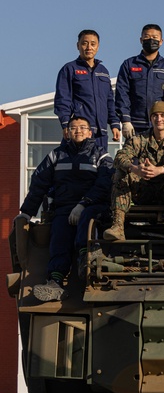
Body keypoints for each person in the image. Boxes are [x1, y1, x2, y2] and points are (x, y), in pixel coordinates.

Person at [16, 116, 113, 302]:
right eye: (74, 127)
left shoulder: (101, 155)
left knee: (88, 219)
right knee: (59, 235)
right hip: (64, 208)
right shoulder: (55, 155)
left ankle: (87, 260)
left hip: (93, 205)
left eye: (83, 127)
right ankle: (55, 282)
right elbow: (39, 184)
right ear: (67, 132)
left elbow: (105, 183)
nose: (78, 131)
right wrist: (26, 213)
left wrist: (84, 203)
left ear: (90, 132)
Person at [103, 101, 164, 242]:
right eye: (155, 116)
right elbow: (120, 157)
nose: (159, 119)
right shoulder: (141, 138)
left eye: (163, 115)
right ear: (151, 119)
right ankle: (118, 226)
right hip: (145, 189)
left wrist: (161, 170)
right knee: (121, 174)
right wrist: (135, 169)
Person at [54, 30, 119, 152]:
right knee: (76, 167)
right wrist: (66, 124)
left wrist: (114, 124)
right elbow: (63, 99)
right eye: (85, 43)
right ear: (78, 45)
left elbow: (109, 101)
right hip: (79, 132)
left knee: (99, 167)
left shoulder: (103, 71)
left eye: (93, 44)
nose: (89, 47)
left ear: (98, 46)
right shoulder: (69, 69)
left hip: (101, 133)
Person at [115, 24, 164, 139]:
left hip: (161, 126)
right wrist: (126, 120)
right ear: (141, 40)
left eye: (155, 37)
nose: (151, 40)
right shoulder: (129, 64)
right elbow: (122, 93)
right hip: (136, 126)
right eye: (147, 37)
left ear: (161, 41)